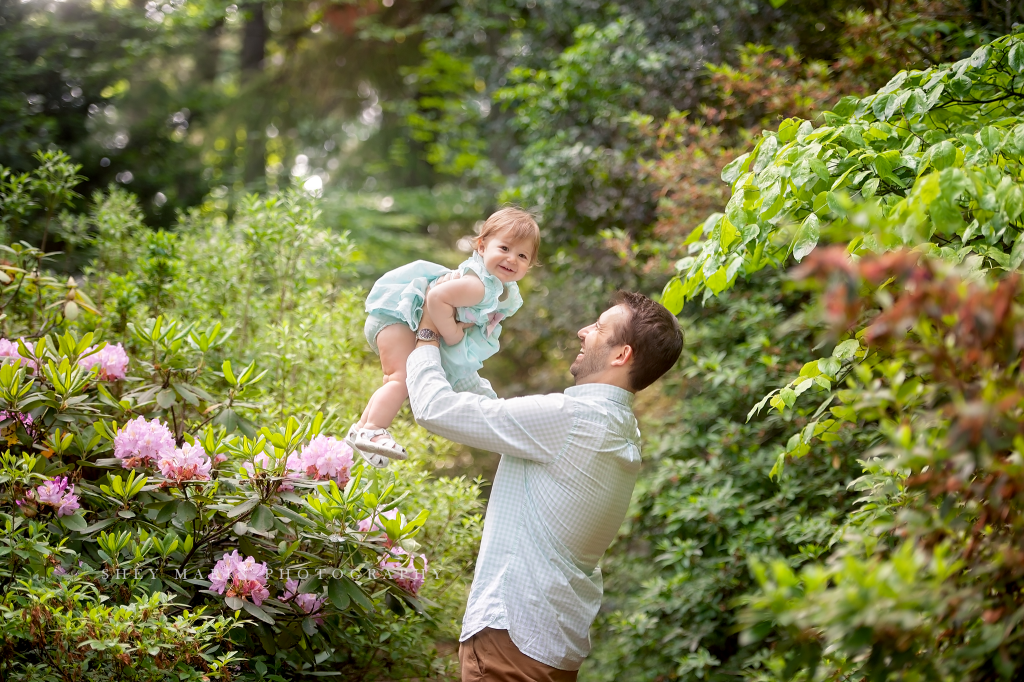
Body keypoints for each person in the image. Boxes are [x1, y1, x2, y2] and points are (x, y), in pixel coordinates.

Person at [407, 291, 684, 681]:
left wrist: (425, 337)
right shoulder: (620, 428)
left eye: (599, 328)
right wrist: (459, 352)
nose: (582, 331)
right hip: (549, 647)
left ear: (621, 355)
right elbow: (498, 417)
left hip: (510, 643)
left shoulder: (570, 418)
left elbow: (434, 409)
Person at [347, 207, 541, 467]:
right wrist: (451, 334)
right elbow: (436, 297)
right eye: (504, 248)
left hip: (398, 319)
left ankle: (360, 429)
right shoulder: (480, 286)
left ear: (529, 265)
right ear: (482, 246)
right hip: (397, 319)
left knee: (395, 380)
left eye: (522, 255)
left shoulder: (492, 286)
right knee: (400, 379)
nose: (512, 259)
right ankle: (373, 429)